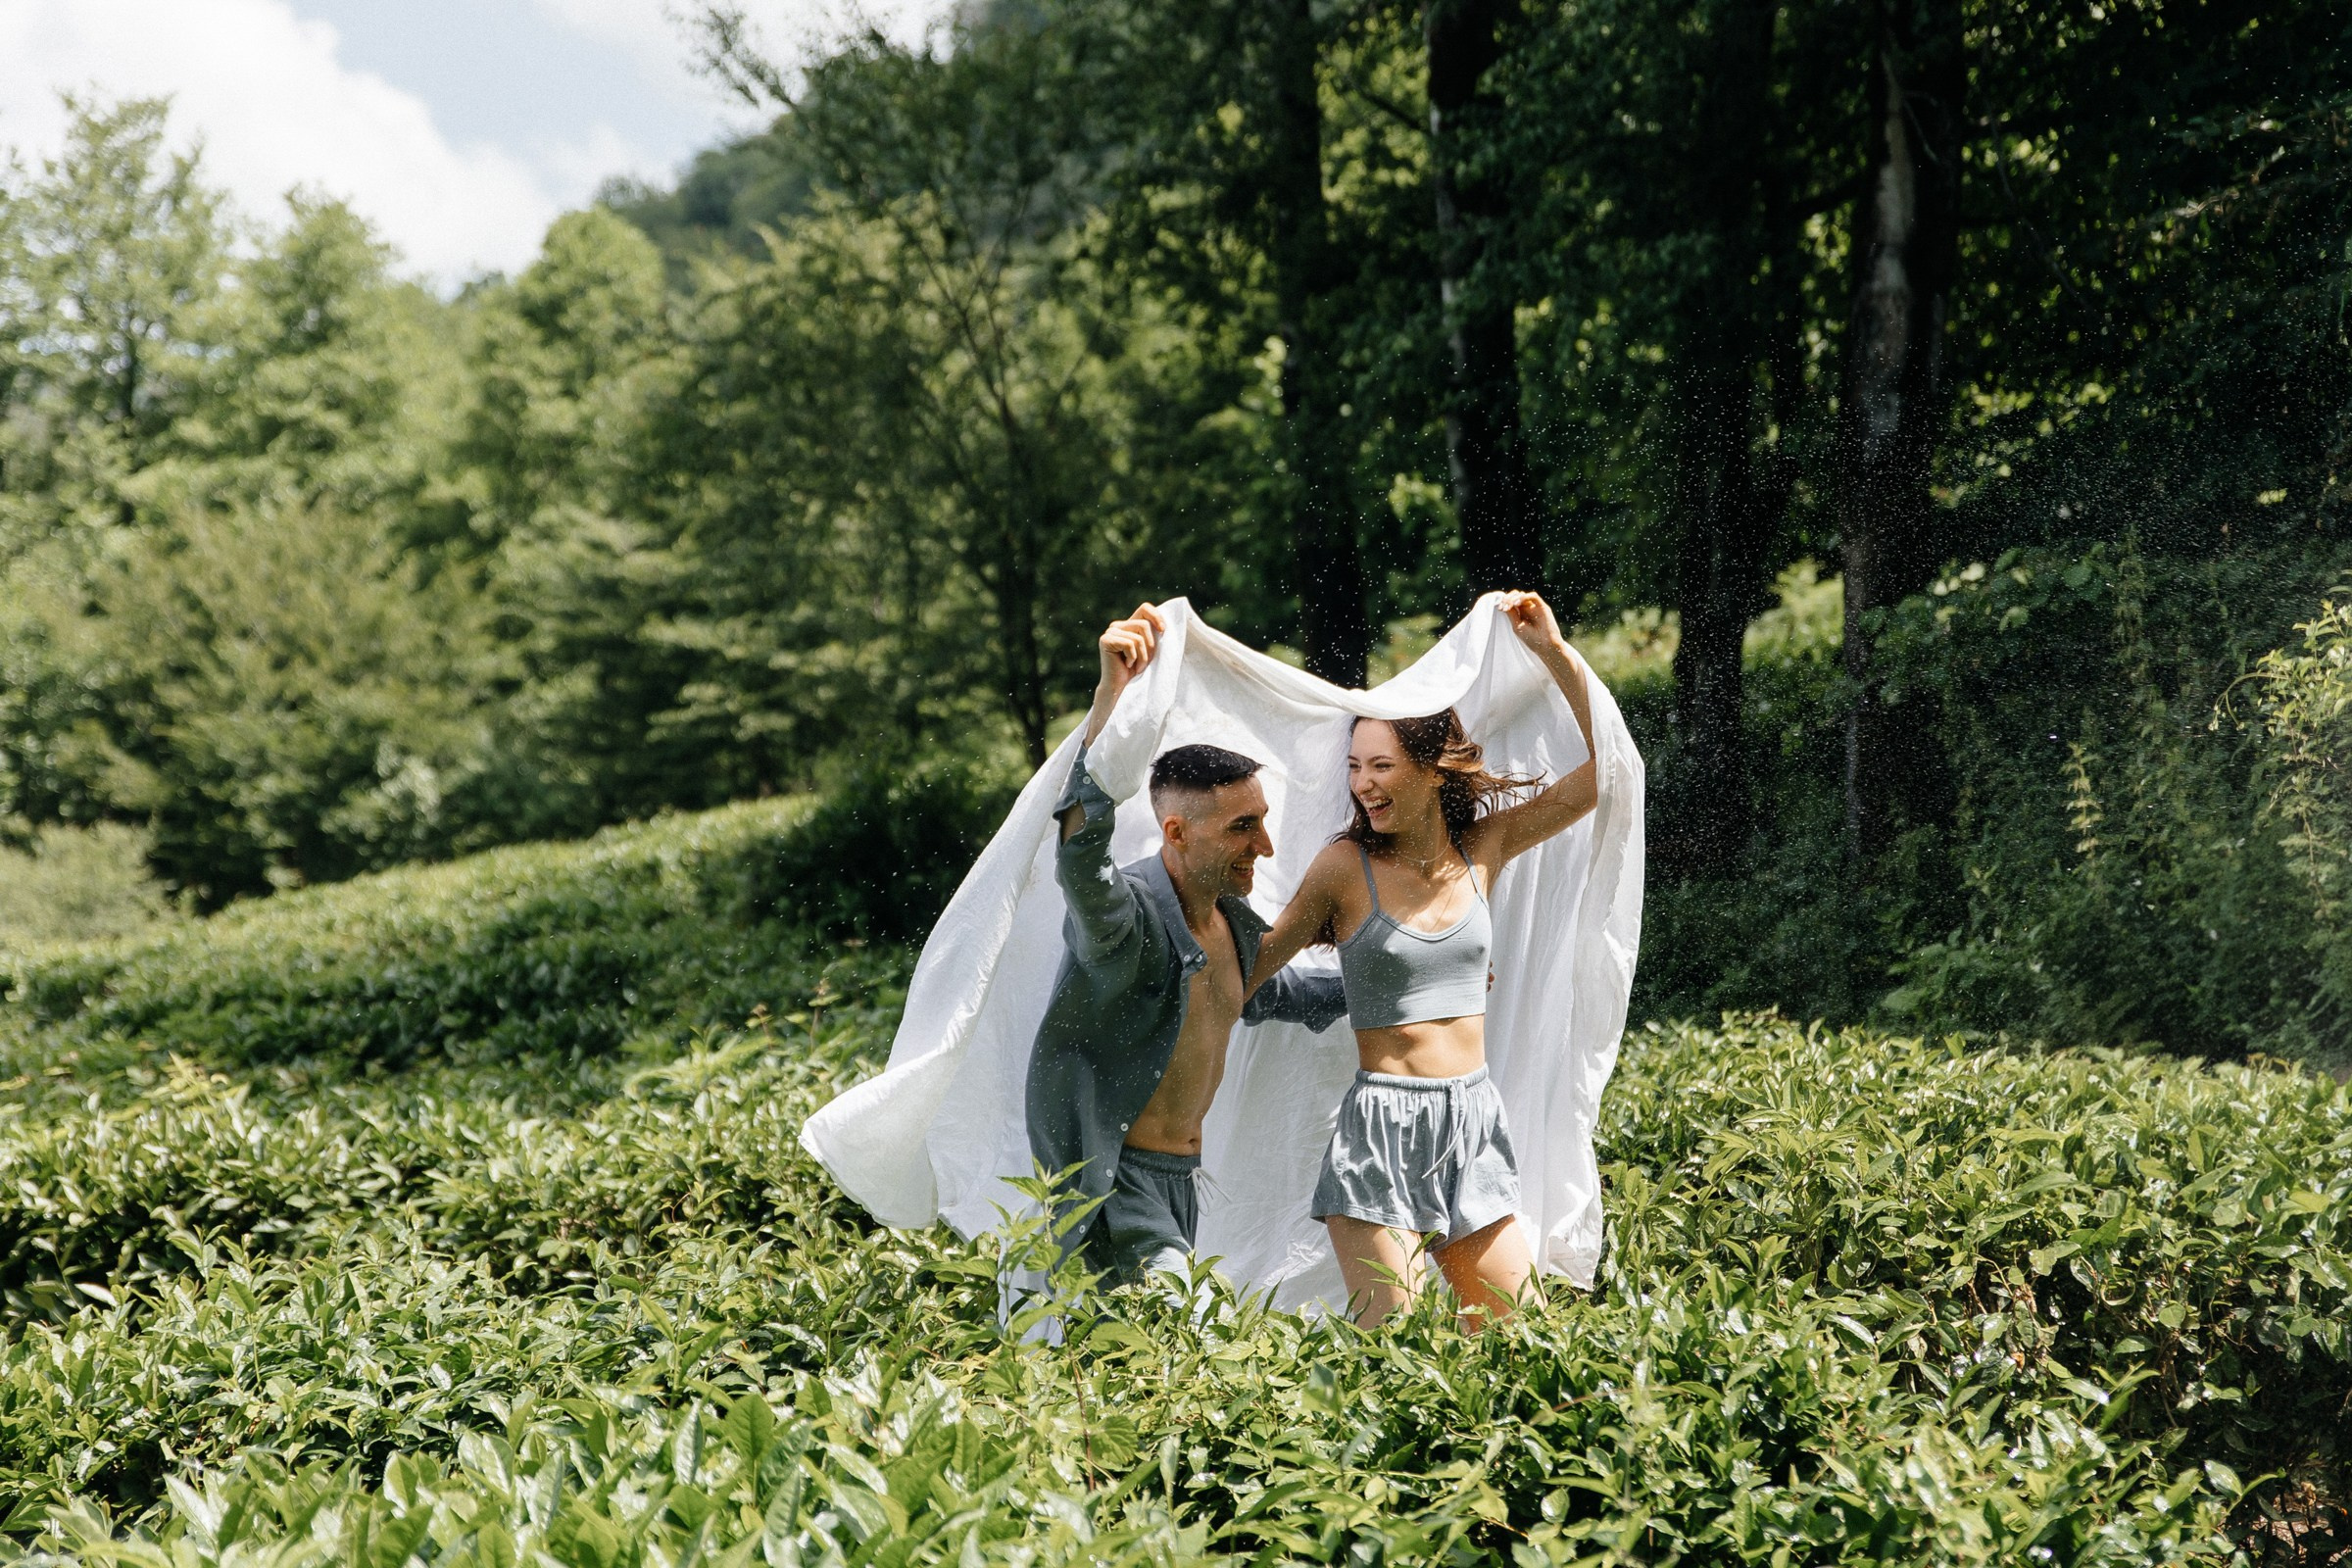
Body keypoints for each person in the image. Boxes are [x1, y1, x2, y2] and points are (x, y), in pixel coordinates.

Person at [1252, 590, 1598, 1330]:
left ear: (1433, 770)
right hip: (1380, 1129)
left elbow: (1604, 777)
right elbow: (1254, 965)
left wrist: (1554, 653)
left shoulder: (1486, 847)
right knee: (1400, 1356)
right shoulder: (1343, 867)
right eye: (1354, 766)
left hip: (1472, 1122)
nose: (1363, 783)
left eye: (1381, 765)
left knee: (1523, 1340)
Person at [1026, 604, 1348, 1284]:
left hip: (1181, 1183)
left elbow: (1275, 993)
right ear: (1176, 833)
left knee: (1135, 1371)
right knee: (1185, 1342)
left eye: (1263, 823)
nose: (1263, 845)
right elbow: (1081, 859)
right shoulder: (1125, 920)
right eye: (1241, 827)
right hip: (1116, 1186)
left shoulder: (1231, 923)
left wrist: (1399, 977)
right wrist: (1109, 699)